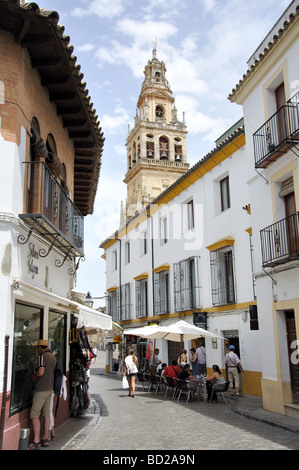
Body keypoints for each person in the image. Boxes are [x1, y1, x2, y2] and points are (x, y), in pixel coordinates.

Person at [29, 339, 56, 449]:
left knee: (34, 414)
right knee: (46, 414)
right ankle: (45, 438)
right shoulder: (53, 357)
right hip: (50, 388)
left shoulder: (42, 357)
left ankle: (36, 440)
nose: (37, 350)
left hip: (41, 389)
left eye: (38, 348)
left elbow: (41, 372)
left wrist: (34, 373)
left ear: (41, 347)